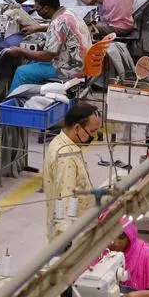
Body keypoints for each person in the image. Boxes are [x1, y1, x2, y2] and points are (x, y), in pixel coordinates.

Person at [4, 0, 91, 92]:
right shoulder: (68, 13)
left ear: (46, 8)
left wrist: (20, 51)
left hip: (70, 68)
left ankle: (12, 103)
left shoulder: (57, 23)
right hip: (80, 61)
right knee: (31, 62)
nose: (37, 11)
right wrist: (39, 27)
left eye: (37, 9)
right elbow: (62, 28)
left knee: (22, 72)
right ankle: (29, 97)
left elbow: (46, 56)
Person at [44, 100, 100, 241]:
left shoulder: (62, 143)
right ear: (77, 128)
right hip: (72, 238)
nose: (95, 137)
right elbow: (65, 202)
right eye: (92, 131)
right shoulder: (65, 157)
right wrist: (66, 244)